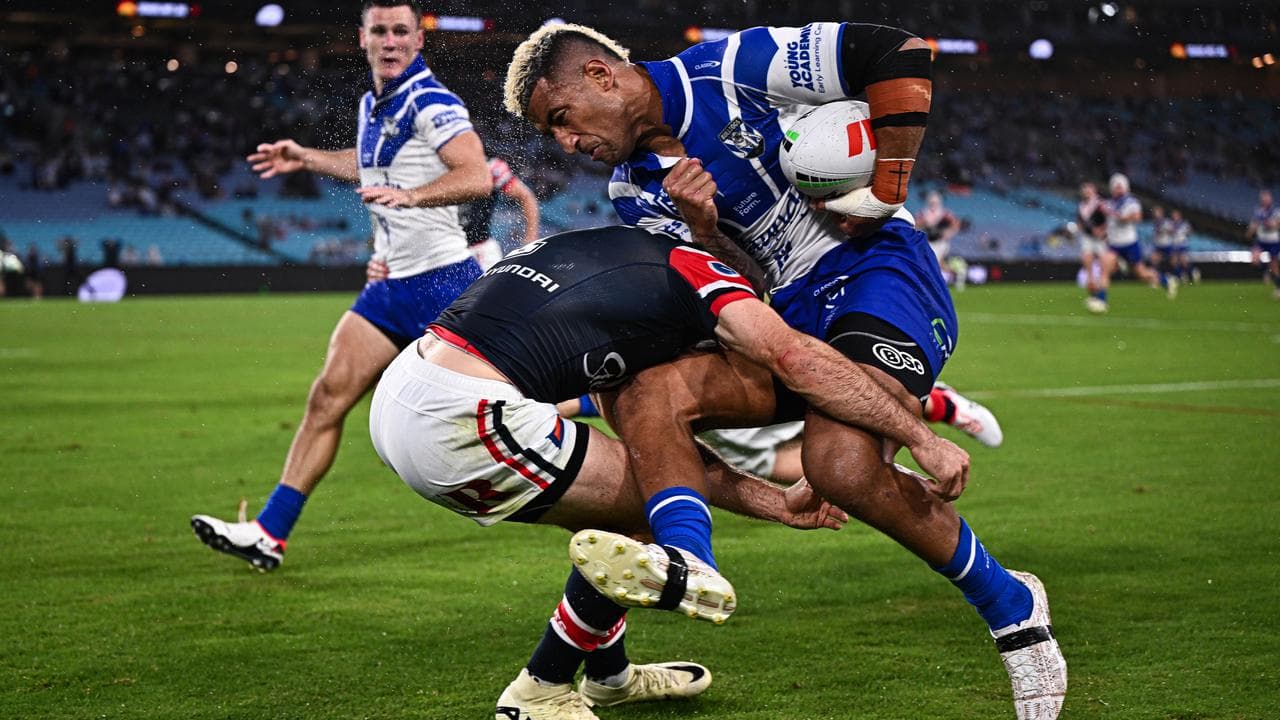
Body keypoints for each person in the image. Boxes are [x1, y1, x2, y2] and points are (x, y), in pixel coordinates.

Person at [504, 22, 1059, 718]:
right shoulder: (633, 192)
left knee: (839, 465)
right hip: (788, 312)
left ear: (600, 75)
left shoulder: (734, 66)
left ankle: (1012, 609)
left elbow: (897, 52)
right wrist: (703, 231)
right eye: (550, 132)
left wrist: (886, 186)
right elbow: (746, 289)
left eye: (561, 118)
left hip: (876, 269)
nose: (564, 142)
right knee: (646, 389)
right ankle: (689, 560)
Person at [366, 225, 968, 719]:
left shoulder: (613, 261)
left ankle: (609, 676)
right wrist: (921, 437)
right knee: (648, 513)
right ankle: (541, 689)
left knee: (642, 508)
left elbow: (650, 449)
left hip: (409, 389)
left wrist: (773, 502)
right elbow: (793, 356)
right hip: (462, 417)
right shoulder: (700, 276)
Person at [191, 0, 492, 571]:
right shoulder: (372, 104)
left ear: (418, 40)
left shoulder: (432, 101)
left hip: (444, 283)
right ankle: (269, 533)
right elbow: (370, 166)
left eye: (400, 31)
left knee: (503, 404)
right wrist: (305, 157)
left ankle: (593, 403)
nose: (390, 40)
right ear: (362, 38)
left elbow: (476, 176)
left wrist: (413, 197)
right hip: (390, 287)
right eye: (379, 30)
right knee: (327, 397)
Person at [1098, 173, 1173, 306]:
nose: (1118, 189)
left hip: (1129, 243)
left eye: (1120, 186)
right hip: (1114, 244)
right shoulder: (1109, 203)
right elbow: (1109, 223)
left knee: (1142, 274)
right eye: (1115, 186)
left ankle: (1165, 280)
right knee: (1104, 269)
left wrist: (1118, 216)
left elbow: (1137, 217)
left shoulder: (1131, 202)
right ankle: (1101, 301)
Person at [464, 156, 541, 269]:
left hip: (478, 250)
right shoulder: (437, 168)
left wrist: (530, 239)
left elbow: (526, 197)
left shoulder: (489, 166)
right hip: (444, 248)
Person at [1075, 181, 1110, 313]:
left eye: (1089, 190)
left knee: (1103, 269)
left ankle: (1102, 299)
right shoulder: (1081, 206)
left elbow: (1110, 218)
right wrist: (1078, 228)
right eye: (1084, 190)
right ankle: (1094, 297)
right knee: (1088, 270)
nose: (1086, 192)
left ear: (1094, 190)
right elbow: (1080, 222)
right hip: (1087, 238)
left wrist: (1102, 230)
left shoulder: (1100, 203)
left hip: (1100, 240)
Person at [1247, 189, 1280, 299]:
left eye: (1266, 198)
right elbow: (1254, 223)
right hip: (1261, 240)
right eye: (1263, 198)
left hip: (1273, 241)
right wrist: (1250, 232)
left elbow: (1278, 225)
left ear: (1270, 199)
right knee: (1254, 260)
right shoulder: (1258, 210)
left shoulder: (1276, 211)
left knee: (1274, 266)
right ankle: (1266, 270)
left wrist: (1272, 225)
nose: (1265, 200)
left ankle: (1278, 287)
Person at [1148, 205, 1177, 299]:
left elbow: (1172, 231)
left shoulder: (1166, 221)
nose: (1156, 214)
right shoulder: (1155, 222)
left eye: (1157, 212)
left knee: (1173, 262)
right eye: (1155, 212)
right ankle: (1156, 280)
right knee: (1153, 260)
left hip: (1167, 244)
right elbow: (1156, 233)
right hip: (1158, 245)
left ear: (1161, 213)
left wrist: (1166, 230)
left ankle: (1175, 277)